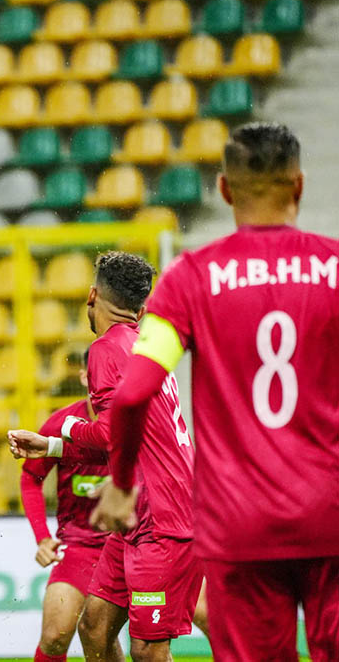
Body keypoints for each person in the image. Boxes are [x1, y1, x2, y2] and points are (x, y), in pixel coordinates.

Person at [90, 122, 339, 661]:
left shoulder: (191, 277)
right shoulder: (335, 267)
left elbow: (132, 395)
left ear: (224, 188)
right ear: (298, 185)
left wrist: (123, 483)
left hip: (239, 522)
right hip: (329, 511)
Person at [8, 252, 201, 662]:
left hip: (161, 522)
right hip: (140, 517)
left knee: (148, 649)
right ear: (141, 309)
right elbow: (128, 434)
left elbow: (110, 432)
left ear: (92, 295)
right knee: (94, 626)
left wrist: (64, 428)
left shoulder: (105, 348)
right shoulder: (144, 347)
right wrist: (53, 447)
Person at [18, 354, 121, 662]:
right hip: (79, 546)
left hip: (131, 544)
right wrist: (42, 537)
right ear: (84, 377)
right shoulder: (60, 423)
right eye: (95, 377)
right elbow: (31, 477)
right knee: (55, 636)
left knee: (122, 641)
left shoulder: (138, 422)